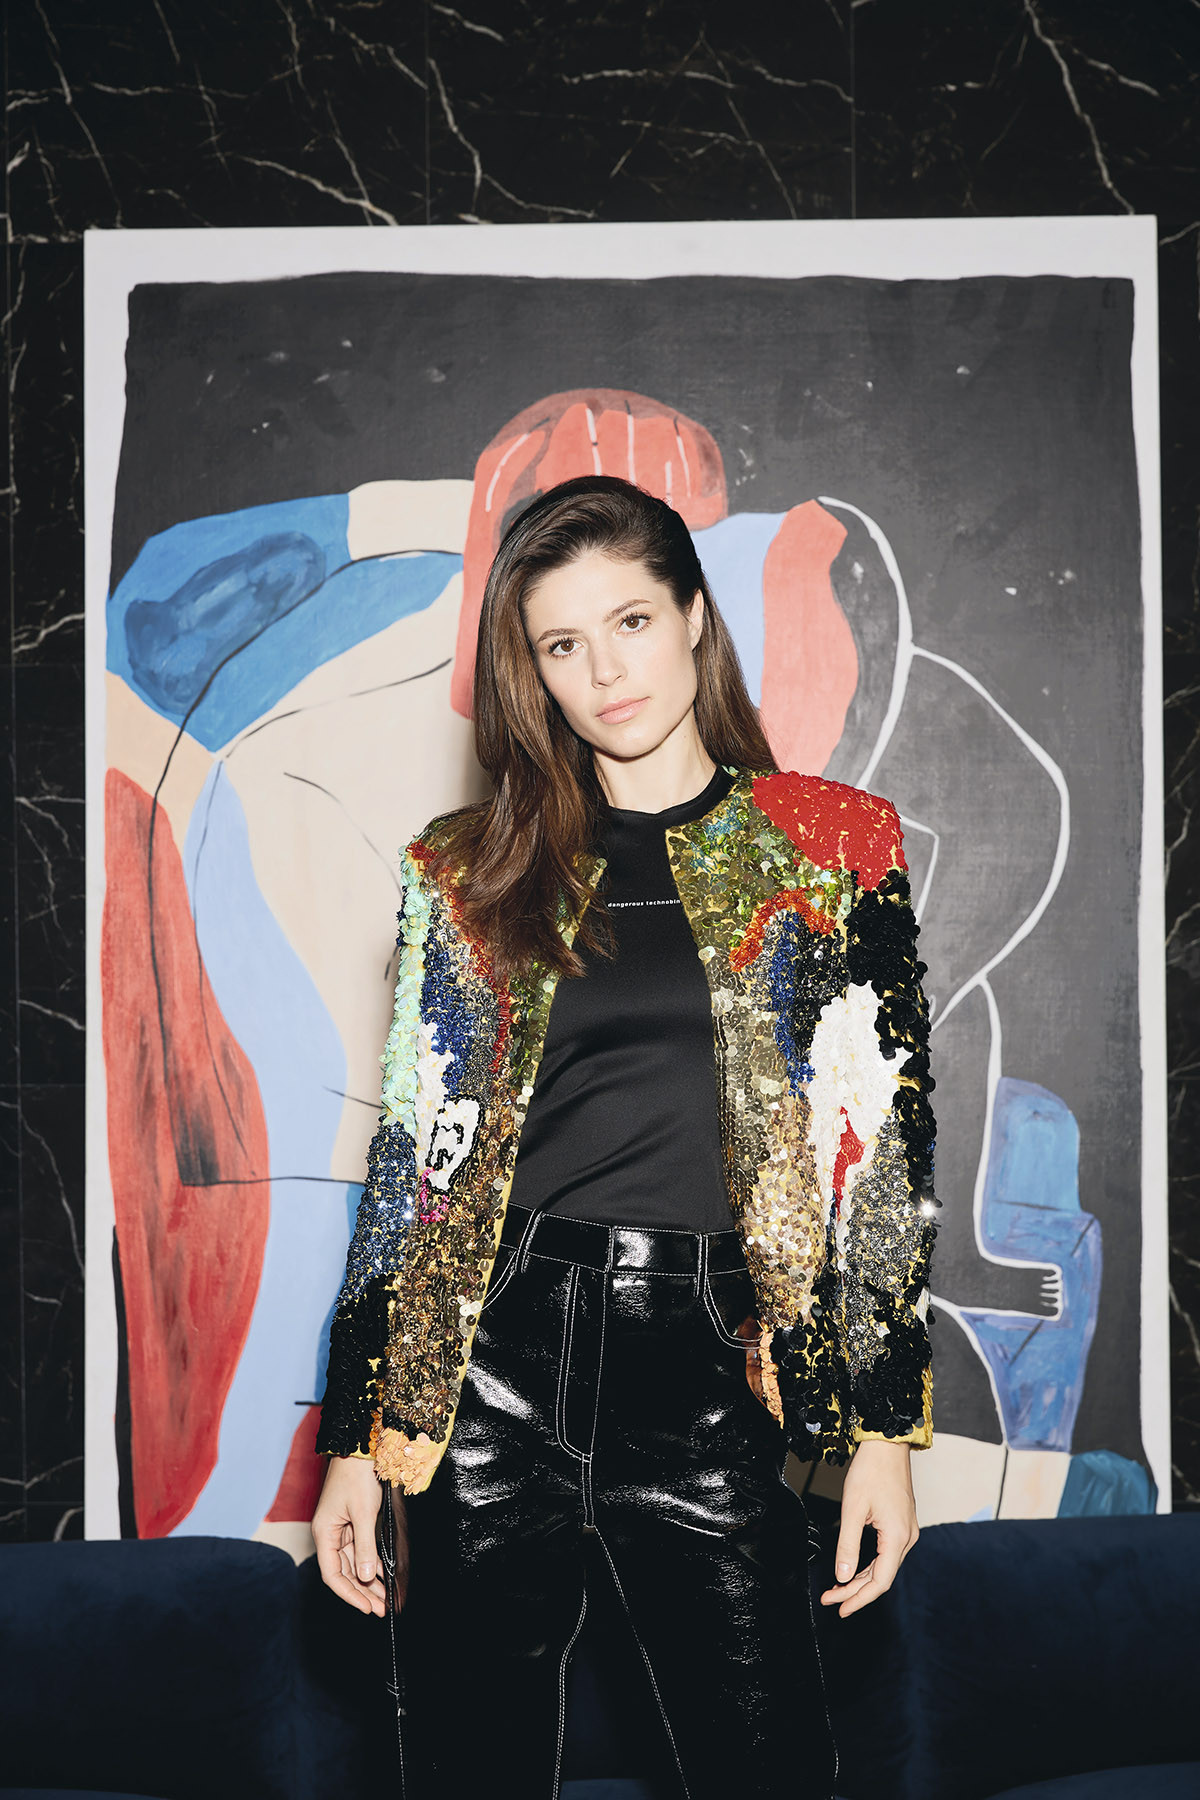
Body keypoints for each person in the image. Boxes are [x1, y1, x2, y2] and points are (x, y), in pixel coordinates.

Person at [311, 474, 940, 1800]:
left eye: (631, 622)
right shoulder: (462, 869)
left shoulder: (833, 848)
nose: (604, 672)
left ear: (696, 619)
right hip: (489, 1365)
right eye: (562, 643)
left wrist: (881, 1436)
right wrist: (359, 1444)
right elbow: (410, 1174)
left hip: (711, 1363)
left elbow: (877, 1158)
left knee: (768, 1765)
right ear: (531, 672)